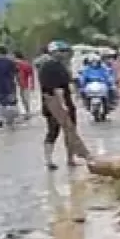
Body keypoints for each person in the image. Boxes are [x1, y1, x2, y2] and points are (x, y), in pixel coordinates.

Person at [38, 41, 89, 170]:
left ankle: (68, 159)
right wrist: (63, 105)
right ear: (54, 52)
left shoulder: (59, 66)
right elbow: (57, 89)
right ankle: (54, 159)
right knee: (60, 130)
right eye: (62, 51)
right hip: (56, 103)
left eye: (65, 51)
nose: (65, 54)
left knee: (66, 131)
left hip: (59, 101)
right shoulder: (51, 67)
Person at [0, 45, 20, 128]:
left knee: (0, 102)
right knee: (11, 102)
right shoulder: (10, 61)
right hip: (9, 84)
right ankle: (10, 120)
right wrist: (19, 82)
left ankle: (1, 119)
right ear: (6, 52)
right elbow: (16, 73)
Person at [14, 50, 35, 118]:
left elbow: (30, 74)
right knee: (24, 98)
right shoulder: (25, 63)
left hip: (23, 84)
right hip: (22, 83)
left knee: (24, 99)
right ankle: (27, 112)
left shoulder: (21, 64)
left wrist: (32, 84)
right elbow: (31, 74)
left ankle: (28, 112)